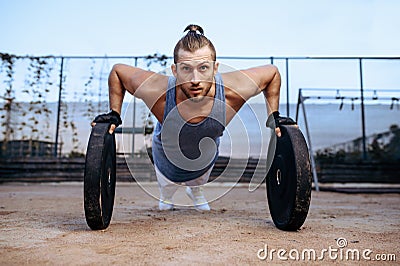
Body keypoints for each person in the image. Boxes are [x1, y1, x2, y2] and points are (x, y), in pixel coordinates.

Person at [92, 24, 291, 211]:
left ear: (215, 68)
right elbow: (118, 71)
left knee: (199, 179)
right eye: (186, 69)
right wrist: (114, 115)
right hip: (166, 152)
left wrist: (273, 116)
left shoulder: (233, 90)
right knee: (167, 188)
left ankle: (196, 191)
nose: (195, 80)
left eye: (203, 68)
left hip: (205, 155)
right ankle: (166, 193)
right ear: (175, 70)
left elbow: (272, 73)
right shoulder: (157, 90)